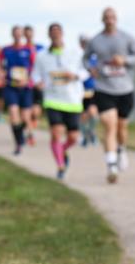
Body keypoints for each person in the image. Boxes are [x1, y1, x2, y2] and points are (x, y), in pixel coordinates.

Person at [84, 7, 135, 183]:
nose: (109, 20)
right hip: (104, 88)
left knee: (121, 127)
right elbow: (85, 58)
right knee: (109, 125)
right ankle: (111, 165)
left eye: (112, 17)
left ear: (116, 19)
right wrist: (91, 68)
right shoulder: (96, 40)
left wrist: (124, 60)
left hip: (125, 88)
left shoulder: (127, 38)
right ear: (102, 19)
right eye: (106, 17)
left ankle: (121, 149)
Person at [33, 23, 89, 180]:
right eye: (52, 32)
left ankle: (62, 150)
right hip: (52, 99)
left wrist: (75, 76)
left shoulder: (75, 52)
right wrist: (38, 82)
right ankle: (60, 166)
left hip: (72, 99)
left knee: (73, 137)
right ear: (49, 35)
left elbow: (86, 71)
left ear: (62, 34)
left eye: (58, 32)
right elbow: (35, 74)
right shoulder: (42, 55)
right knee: (56, 133)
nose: (55, 34)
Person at [0, 26, 37, 155]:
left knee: (25, 117)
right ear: (12, 34)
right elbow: (1, 67)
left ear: (22, 35)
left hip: (26, 87)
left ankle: (28, 134)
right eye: (15, 33)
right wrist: (2, 75)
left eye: (19, 33)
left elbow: (35, 68)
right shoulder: (6, 50)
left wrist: (27, 80)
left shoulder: (29, 50)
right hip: (11, 86)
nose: (17, 35)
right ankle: (18, 143)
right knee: (13, 114)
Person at [24, 25, 44, 144]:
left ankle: (32, 124)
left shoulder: (40, 48)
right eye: (26, 34)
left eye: (30, 33)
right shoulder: (22, 49)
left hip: (38, 84)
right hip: (26, 85)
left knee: (36, 112)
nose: (28, 36)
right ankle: (30, 135)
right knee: (26, 111)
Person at [79, 34, 99, 147]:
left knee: (93, 113)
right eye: (83, 43)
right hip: (80, 90)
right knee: (83, 115)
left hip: (93, 89)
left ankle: (91, 132)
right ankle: (84, 135)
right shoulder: (77, 57)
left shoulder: (95, 58)